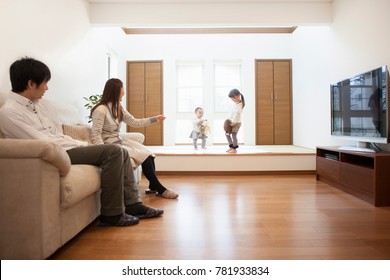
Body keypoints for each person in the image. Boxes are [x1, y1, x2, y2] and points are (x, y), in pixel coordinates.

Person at [0, 57, 163, 227]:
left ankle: (133, 205)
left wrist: (82, 145)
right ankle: (112, 214)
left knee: (121, 151)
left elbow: (56, 134)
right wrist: (83, 145)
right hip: (58, 153)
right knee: (114, 151)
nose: (47, 87)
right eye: (45, 83)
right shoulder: (10, 112)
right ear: (31, 83)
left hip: (66, 147)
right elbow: (44, 143)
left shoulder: (37, 105)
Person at [90, 78, 179, 199]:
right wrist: (103, 153)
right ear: (116, 90)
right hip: (110, 146)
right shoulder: (100, 110)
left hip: (119, 141)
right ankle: (160, 189)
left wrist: (155, 119)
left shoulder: (118, 107)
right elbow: (96, 134)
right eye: (122, 87)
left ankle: (153, 185)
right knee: (145, 157)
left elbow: (134, 122)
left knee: (149, 154)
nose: (124, 90)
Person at [225, 88, 245, 153]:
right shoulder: (235, 104)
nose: (232, 100)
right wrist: (228, 121)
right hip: (230, 121)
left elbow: (237, 114)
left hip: (236, 122)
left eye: (233, 98)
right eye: (231, 99)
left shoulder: (241, 104)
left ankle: (234, 148)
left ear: (238, 95)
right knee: (227, 134)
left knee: (234, 134)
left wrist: (233, 122)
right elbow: (231, 113)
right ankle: (231, 147)